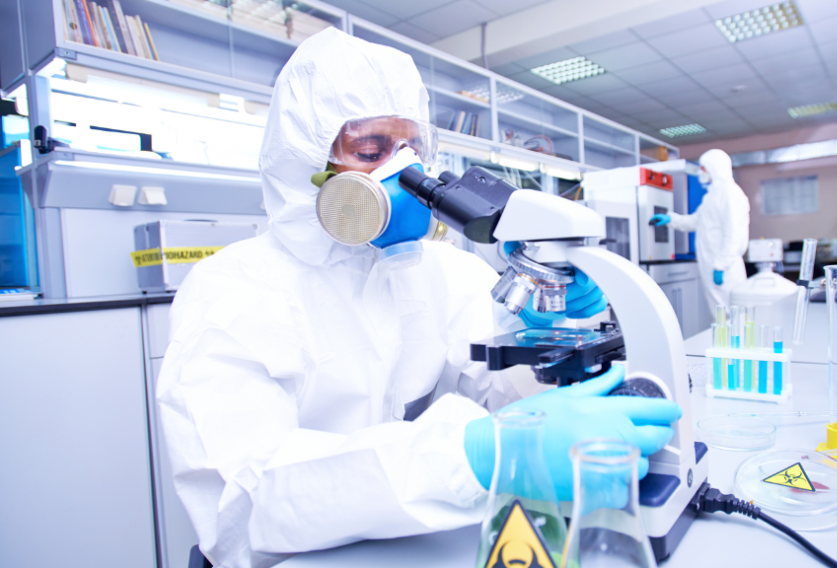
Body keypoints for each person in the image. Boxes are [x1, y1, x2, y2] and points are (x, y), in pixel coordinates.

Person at [158, 28, 681, 568]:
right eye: (371, 150)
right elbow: (243, 505)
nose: (404, 173)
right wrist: (474, 457)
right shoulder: (233, 289)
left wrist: (562, 327)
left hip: (423, 545)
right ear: (303, 160)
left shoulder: (446, 270)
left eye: (412, 150)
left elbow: (509, 402)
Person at [651, 149, 750, 312]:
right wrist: (671, 219)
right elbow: (696, 221)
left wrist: (721, 265)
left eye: (703, 168)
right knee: (719, 314)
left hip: (726, 268)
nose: (700, 172)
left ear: (714, 168)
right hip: (712, 265)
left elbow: (734, 234)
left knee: (732, 314)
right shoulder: (712, 196)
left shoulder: (730, 194)